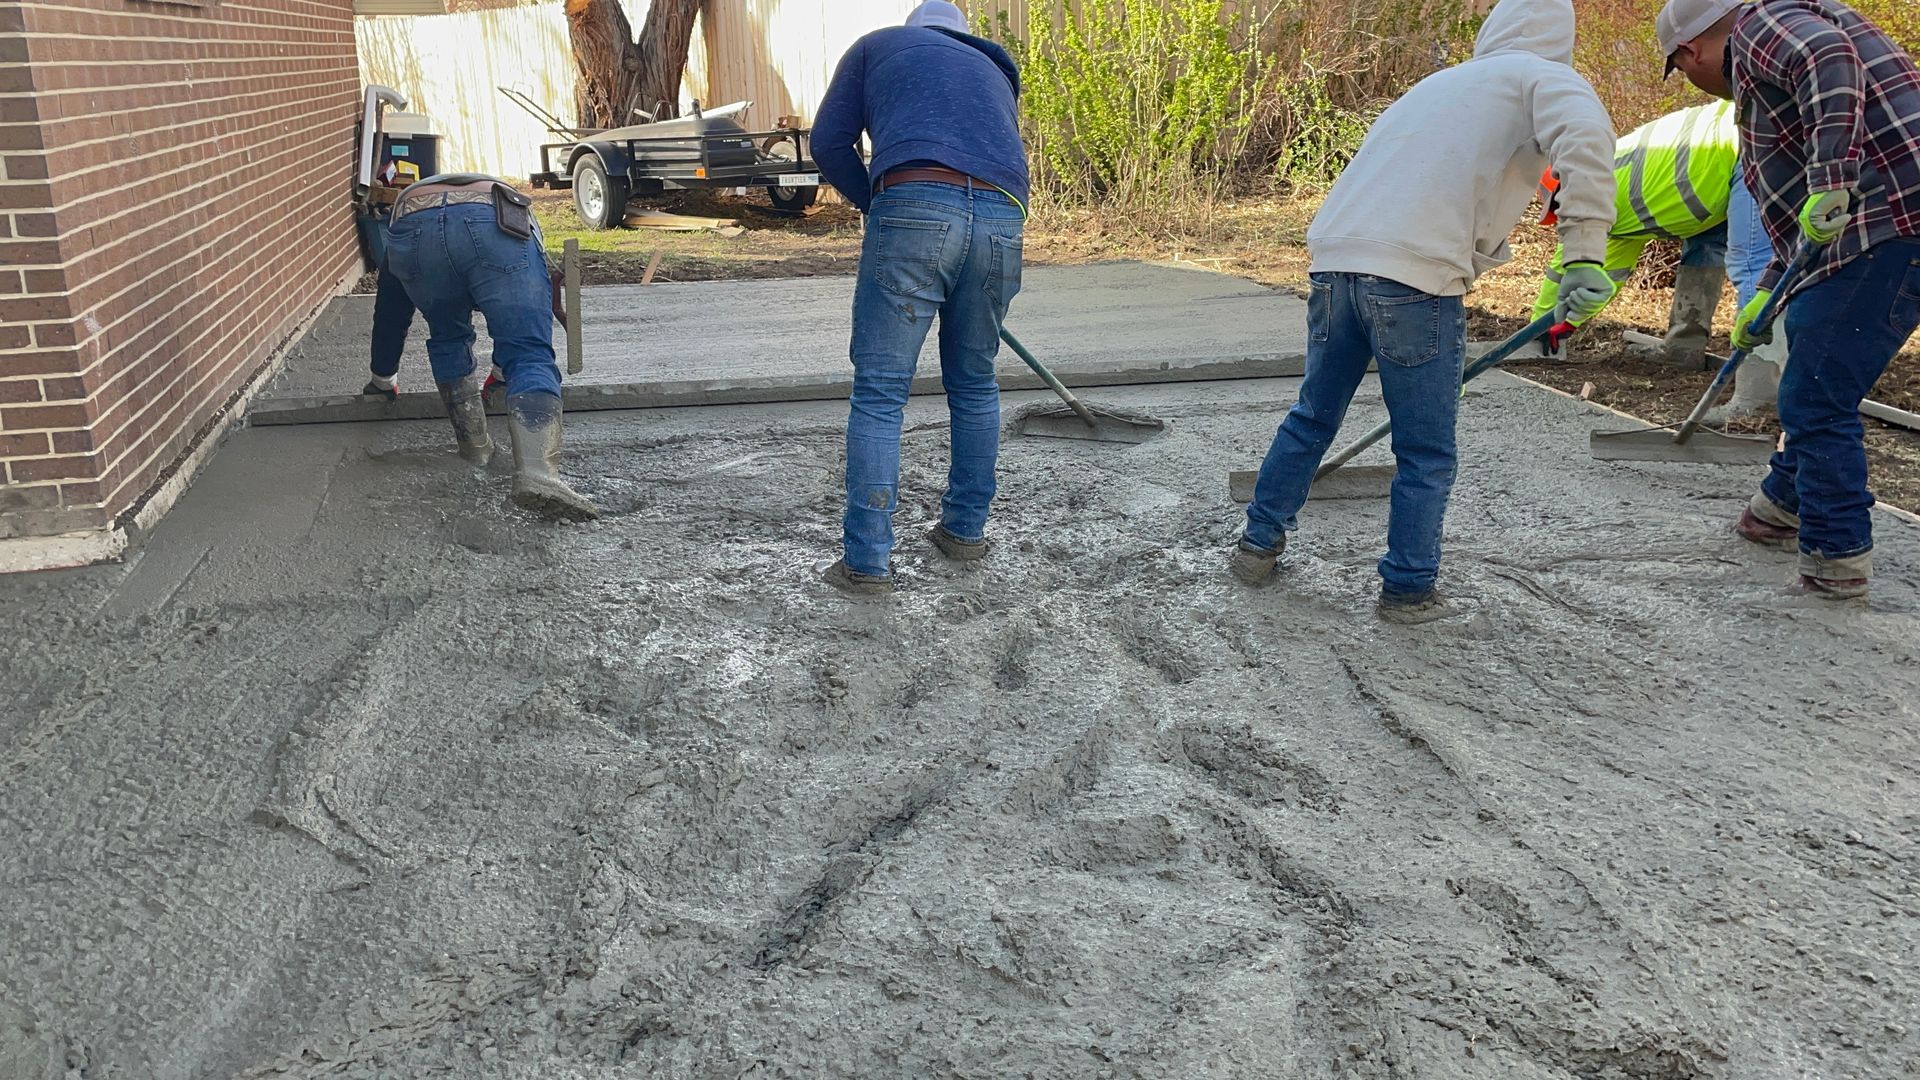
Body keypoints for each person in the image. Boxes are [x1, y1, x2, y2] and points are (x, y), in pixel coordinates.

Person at [1231, 0, 1618, 622]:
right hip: (1415, 274)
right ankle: (1408, 590)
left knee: (1312, 417)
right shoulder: (1546, 77)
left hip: (1336, 260)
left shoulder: (1438, 84)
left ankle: (1256, 546)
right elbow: (1588, 144)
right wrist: (1585, 253)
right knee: (1426, 450)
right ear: (1560, 39)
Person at [1662, 0, 1920, 600]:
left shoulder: (1759, 28)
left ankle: (1837, 559)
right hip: (1872, 230)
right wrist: (1763, 297)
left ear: (1690, 51)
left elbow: (1826, 57)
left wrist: (1831, 177)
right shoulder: (1768, 87)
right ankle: (1782, 505)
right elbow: (1804, 219)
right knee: (1814, 359)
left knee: (1813, 395)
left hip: (1887, 223)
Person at [809, 0, 1029, 596]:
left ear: (915, 32)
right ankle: (964, 533)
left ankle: (868, 563)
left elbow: (828, 144)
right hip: (1003, 219)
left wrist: (876, 205)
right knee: (977, 382)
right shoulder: (997, 68)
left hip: (913, 201)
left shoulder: (876, 46)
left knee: (881, 393)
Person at [380, 173, 599, 522]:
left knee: (447, 336)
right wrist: (504, 373)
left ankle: (475, 448)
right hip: (492, 217)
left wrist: (382, 377)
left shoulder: (395, 241)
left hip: (412, 222)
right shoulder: (517, 230)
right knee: (527, 350)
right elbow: (515, 332)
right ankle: (538, 474)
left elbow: (391, 312)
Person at [1528, 100, 1739, 365]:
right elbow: (1609, 275)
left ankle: (1760, 379)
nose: (1561, 217)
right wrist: (1568, 323)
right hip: (1717, 174)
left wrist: (1538, 328)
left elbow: (1563, 270)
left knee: (1758, 264)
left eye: (1557, 208)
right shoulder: (1612, 168)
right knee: (1707, 244)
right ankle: (1684, 350)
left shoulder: (1592, 195)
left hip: (1735, 140)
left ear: (1564, 191)